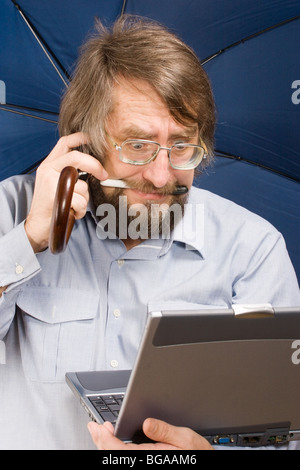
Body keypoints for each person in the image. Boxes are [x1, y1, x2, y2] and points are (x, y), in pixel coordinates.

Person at [0, 15, 299, 450]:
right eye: (138, 145)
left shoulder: (251, 249)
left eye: (181, 146)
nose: (161, 177)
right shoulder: (12, 211)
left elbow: (283, 431)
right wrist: (29, 239)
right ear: (87, 145)